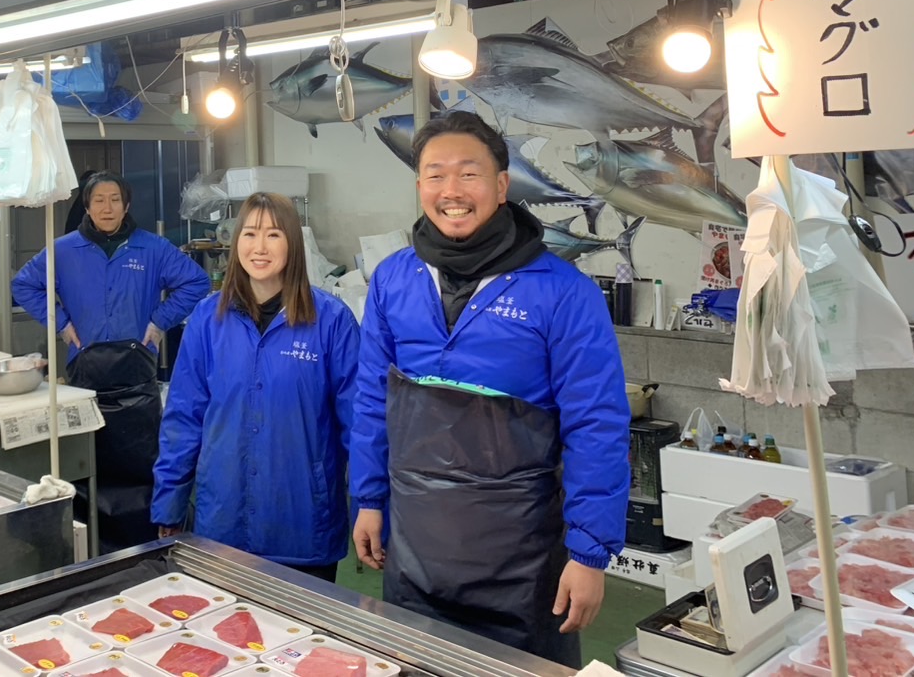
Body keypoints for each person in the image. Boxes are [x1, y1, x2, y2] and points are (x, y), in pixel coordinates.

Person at [349, 112, 629, 667]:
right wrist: (369, 499)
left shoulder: (563, 292)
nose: (451, 191)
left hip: (520, 561)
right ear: (420, 185)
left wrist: (589, 553)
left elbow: (596, 424)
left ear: (502, 186)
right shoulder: (393, 279)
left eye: (469, 174)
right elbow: (373, 402)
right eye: (435, 175)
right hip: (414, 546)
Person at [151, 192, 359, 581]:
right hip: (223, 525)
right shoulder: (207, 319)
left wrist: (369, 508)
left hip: (302, 527)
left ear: (292, 243)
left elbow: (359, 427)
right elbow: (183, 418)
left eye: (273, 235)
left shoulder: (331, 322)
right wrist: (169, 502)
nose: (259, 247)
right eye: (249, 234)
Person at [11, 170, 209, 549]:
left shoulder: (152, 248)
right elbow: (24, 285)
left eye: (115, 199)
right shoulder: (63, 250)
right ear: (87, 206)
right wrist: (61, 324)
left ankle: (148, 540)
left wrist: (159, 322)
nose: (107, 207)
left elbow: (196, 282)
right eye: (99, 200)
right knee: (87, 463)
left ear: (126, 205)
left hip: (138, 374)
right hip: (84, 372)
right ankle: (94, 544)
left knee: (142, 464)